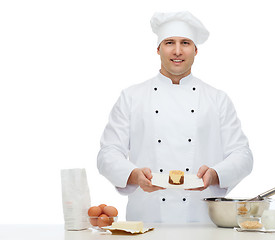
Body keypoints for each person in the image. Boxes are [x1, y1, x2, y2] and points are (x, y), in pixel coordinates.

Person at [97, 11, 253, 223]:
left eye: (185, 43)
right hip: (146, 219)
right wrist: (133, 175)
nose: (177, 51)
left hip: (201, 220)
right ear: (158, 48)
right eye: (169, 42)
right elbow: (108, 153)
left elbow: (243, 155)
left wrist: (215, 173)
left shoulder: (217, 99)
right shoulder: (132, 97)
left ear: (196, 50)